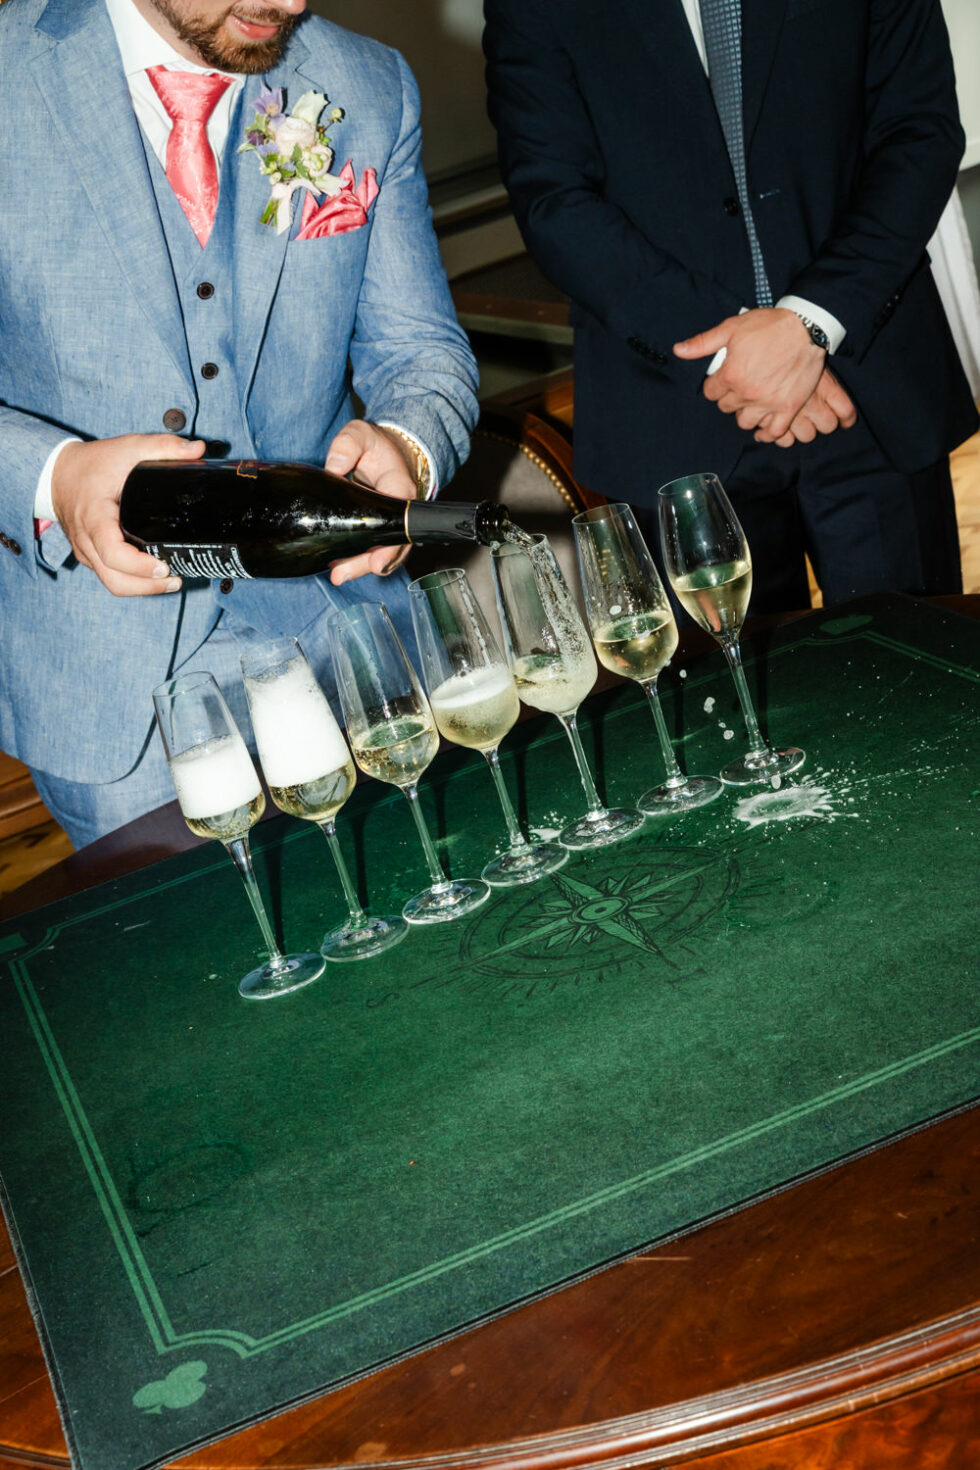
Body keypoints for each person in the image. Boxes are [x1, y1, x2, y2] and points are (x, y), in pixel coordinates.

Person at [0, 0, 479, 848]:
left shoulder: (368, 84)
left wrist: (408, 442)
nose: (289, 3)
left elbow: (420, 350)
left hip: (356, 641)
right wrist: (53, 476)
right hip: (115, 692)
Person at [483, 0, 979, 614]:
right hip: (672, 421)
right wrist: (734, 353)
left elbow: (919, 130)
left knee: (917, 661)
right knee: (727, 678)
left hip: (868, 390)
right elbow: (552, 200)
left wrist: (812, 319)